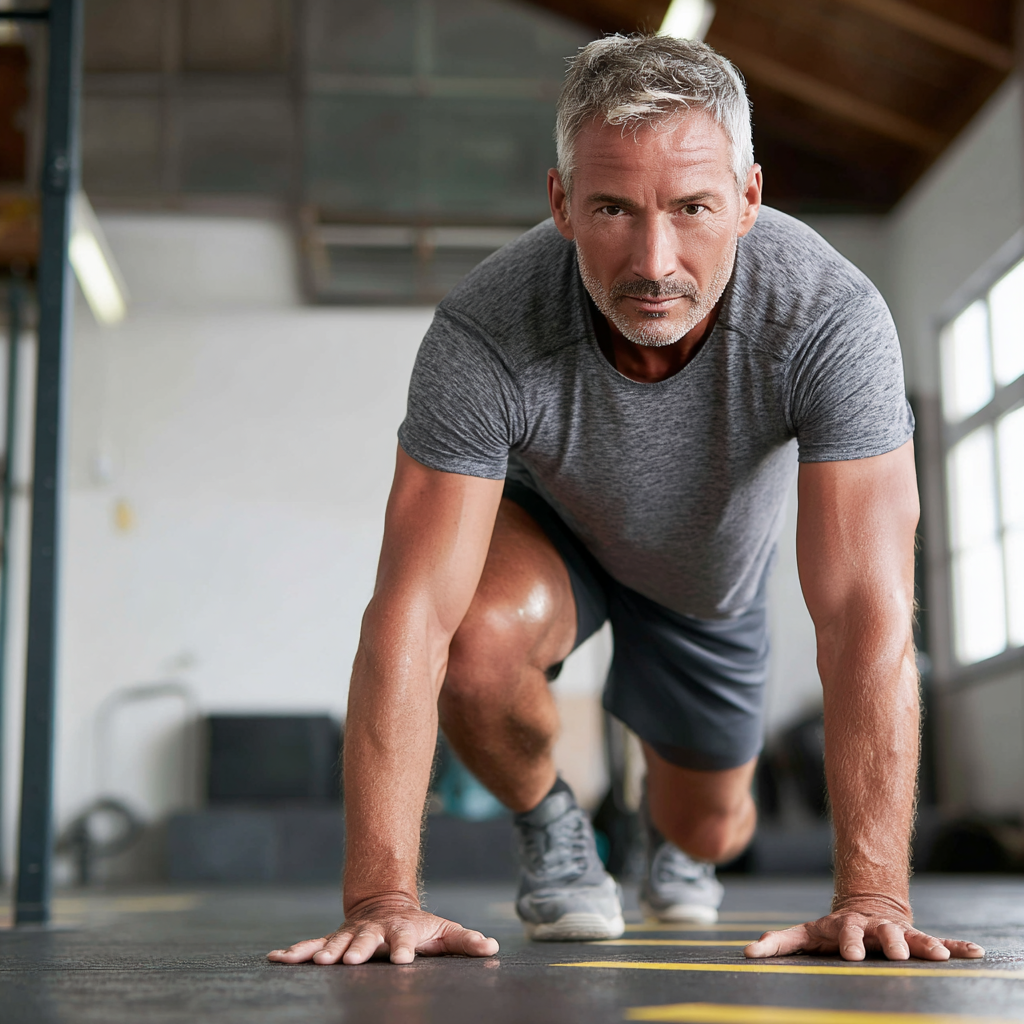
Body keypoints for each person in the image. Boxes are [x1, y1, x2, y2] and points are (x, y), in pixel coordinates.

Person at [268, 34, 984, 967]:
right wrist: (381, 896)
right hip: (551, 534)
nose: (654, 261)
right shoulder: (484, 333)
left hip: (708, 579)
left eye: (693, 208)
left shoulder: (829, 318)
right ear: (561, 202)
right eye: (614, 207)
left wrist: (872, 894)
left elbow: (864, 611)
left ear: (750, 200)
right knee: (477, 645)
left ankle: (666, 834)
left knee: (713, 825)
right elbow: (410, 619)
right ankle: (557, 828)